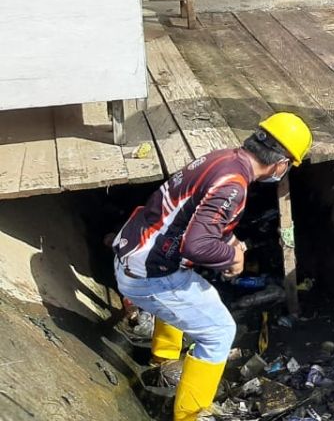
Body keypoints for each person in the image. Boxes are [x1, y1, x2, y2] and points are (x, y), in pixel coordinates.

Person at [113, 113, 313, 421]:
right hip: (147, 275)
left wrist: (230, 241)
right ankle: (189, 415)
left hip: (135, 253)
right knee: (220, 332)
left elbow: (200, 216)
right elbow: (195, 245)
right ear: (281, 164)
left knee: (194, 297)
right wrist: (234, 257)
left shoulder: (225, 159)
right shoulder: (234, 187)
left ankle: (163, 360)